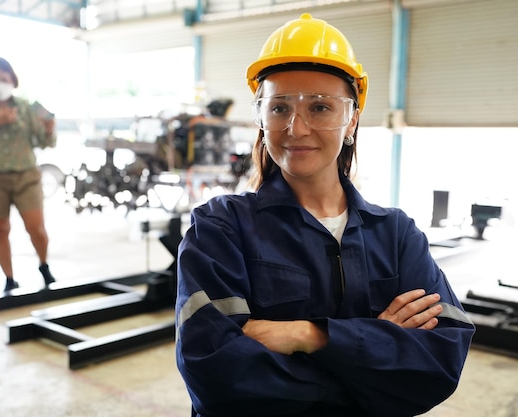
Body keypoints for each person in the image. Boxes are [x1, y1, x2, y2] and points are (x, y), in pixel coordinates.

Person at [175, 13, 475, 417]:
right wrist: (373, 353)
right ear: (261, 121)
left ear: (351, 120)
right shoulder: (220, 227)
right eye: (279, 108)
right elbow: (216, 373)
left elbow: (440, 362)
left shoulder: (396, 234)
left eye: (319, 107)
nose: (296, 128)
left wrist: (309, 335)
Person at [0, 57, 57, 292]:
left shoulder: (26, 107)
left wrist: (50, 130)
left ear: (12, 80)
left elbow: (45, 142)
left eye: (4, 79)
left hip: (26, 176)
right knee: (1, 229)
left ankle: (44, 265)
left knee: (36, 228)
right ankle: (9, 278)